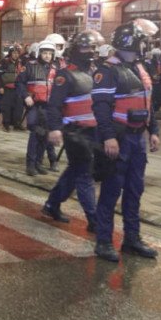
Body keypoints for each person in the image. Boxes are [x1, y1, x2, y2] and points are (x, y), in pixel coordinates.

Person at [92, 21, 161, 262]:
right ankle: (103, 242)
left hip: (137, 139)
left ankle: (132, 239)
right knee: (111, 191)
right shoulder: (108, 71)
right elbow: (101, 107)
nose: (145, 45)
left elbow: (148, 102)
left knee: (134, 190)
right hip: (118, 139)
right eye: (143, 41)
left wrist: (153, 131)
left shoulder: (140, 67)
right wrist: (108, 137)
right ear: (131, 42)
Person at [41, 30, 103, 231]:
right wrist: (55, 129)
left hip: (94, 131)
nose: (90, 51)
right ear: (76, 49)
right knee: (85, 174)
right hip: (75, 132)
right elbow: (54, 105)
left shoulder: (95, 72)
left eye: (93, 47)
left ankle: (52, 204)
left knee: (74, 171)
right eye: (86, 47)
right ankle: (94, 220)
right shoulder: (65, 74)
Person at [18, 40, 59, 175]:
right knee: (35, 134)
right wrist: (26, 96)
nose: (47, 56)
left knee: (45, 135)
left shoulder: (55, 69)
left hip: (48, 106)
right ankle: (30, 165)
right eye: (45, 53)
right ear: (39, 53)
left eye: (50, 54)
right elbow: (19, 83)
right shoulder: (30, 66)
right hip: (35, 105)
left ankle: (38, 163)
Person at [0, 44, 25, 132]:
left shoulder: (20, 63)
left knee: (18, 107)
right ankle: (6, 124)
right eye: (14, 53)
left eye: (17, 53)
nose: (16, 55)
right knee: (6, 107)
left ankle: (17, 124)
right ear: (10, 53)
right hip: (7, 88)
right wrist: (0, 87)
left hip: (17, 88)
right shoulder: (3, 62)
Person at [145, 47, 161, 113]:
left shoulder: (159, 63)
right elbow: (155, 77)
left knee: (160, 99)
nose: (159, 57)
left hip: (158, 84)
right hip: (151, 84)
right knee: (151, 100)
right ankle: (152, 112)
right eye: (158, 55)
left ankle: (154, 110)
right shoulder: (149, 63)